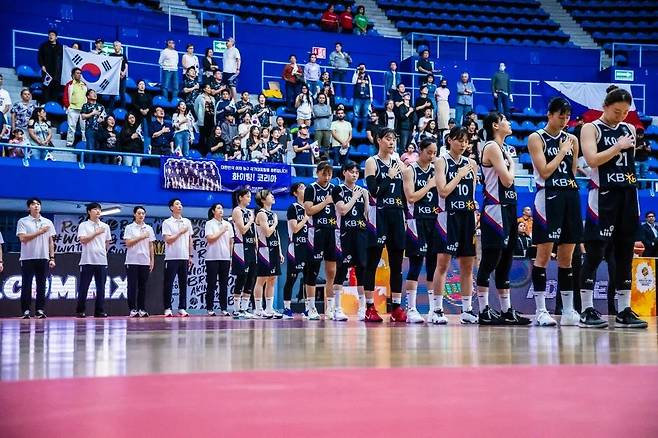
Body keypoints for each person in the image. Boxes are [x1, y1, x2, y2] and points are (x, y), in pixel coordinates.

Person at [579, 85, 647, 328]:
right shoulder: (590, 128)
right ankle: (586, 308)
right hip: (603, 195)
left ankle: (624, 309)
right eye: (617, 111)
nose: (621, 116)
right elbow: (592, 160)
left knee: (625, 254)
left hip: (627, 195)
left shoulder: (629, 128)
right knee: (596, 253)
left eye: (625, 112)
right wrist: (618, 146)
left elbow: (629, 161)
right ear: (605, 106)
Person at [527, 97, 582, 326]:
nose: (565, 120)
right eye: (561, 115)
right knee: (542, 256)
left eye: (567, 116)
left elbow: (572, 171)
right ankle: (541, 310)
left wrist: (566, 150)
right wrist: (561, 152)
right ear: (549, 114)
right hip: (547, 195)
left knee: (567, 257)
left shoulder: (572, 139)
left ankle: (568, 310)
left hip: (569, 195)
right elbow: (545, 171)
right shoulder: (536, 138)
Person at [476, 112, 530, 325]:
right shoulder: (491, 147)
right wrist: (513, 164)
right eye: (505, 120)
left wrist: (510, 160)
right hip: (495, 210)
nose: (509, 123)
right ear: (496, 125)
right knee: (490, 261)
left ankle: (507, 311)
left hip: (509, 207)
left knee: (506, 261)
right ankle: (483, 310)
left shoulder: (504, 149)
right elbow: (507, 180)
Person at [433, 128, 480, 324]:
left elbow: (473, 191)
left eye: (466, 141)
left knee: (468, 264)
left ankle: (467, 309)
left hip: (467, 216)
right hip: (448, 216)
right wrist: (459, 175)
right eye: (459, 140)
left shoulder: (472, 164)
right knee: (443, 263)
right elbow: (443, 191)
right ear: (450, 140)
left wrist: (474, 210)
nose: (463, 144)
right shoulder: (441, 161)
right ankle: (437, 309)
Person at [363, 128, 408, 322]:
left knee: (397, 264)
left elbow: (406, 192)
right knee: (372, 263)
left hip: (397, 215)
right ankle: (369, 307)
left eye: (394, 139)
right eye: (388, 139)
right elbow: (374, 192)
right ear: (379, 140)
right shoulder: (371, 162)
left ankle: (396, 307)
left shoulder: (399, 163)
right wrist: (389, 176)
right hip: (379, 215)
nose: (391, 142)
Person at [402, 138, 439, 324]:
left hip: (435, 220)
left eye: (435, 152)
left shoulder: (437, 169)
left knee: (433, 265)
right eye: (429, 152)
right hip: (417, 221)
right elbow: (411, 197)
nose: (432, 156)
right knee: (416, 265)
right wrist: (430, 185)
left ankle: (434, 309)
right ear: (421, 151)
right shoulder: (410, 170)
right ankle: (412, 309)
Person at [332, 161, 369, 321]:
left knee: (361, 270)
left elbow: (366, 214)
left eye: (357, 172)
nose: (354, 175)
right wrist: (354, 197)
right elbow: (343, 209)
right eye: (351, 171)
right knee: (341, 270)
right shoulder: (338, 189)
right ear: (344, 172)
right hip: (344, 233)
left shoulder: (364, 192)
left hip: (360, 234)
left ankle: (363, 308)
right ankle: (337, 308)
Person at [303, 161, 338, 320]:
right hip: (315, 232)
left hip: (332, 232)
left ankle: (329, 308)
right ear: (317, 173)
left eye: (329, 174)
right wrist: (325, 202)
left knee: (331, 272)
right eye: (324, 173)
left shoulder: (335, 188)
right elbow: (309, 210)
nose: (327, 177)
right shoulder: (311, 188)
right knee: (313, 271)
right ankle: (311, 308)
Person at [16, 198, 56, 319]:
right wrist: (40, 232)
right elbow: (23, 238)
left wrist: (52, 257)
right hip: (27, 257)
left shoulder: (47, 222)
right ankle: (26, 311)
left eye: (38, 204)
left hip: (43, 257)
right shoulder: (23, 221)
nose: (36, 206)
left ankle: (39, 310)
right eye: (33, 204)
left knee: (42, 285)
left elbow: (51, 241)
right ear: (29, 208)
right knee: (26, 285)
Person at [75, 202, 111, 318]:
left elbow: (107, 242)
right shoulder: (83, 225)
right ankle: (80, 310)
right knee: (84, 287)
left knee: (101, 287)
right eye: (95, 209)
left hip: (101, 261)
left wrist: (103, 252)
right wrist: (96, 233)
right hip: (87, 260)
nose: (98, 212)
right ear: (89, 212)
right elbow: (83, 240)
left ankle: (99, 310)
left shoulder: (105, 226)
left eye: (99, 210)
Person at [253, 190, 284, 319]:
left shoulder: (273, 214)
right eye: (270, 195)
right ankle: (258, 309)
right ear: (263, 199)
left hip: (274, 249)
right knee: (261, 280)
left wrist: (280, 251)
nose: (273, 196)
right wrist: (276, 222)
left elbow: (276, 235)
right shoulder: (261, 214)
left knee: (272, 279)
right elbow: (267, 233)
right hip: (264, 250)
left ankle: (269, 308)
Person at [162, 199, 193, 317]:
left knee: (183, 283)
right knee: (168, 283)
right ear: (171, 208)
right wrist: (180, 232)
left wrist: (190, 255)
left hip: (184, 257)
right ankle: (167, 307)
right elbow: (168, 240)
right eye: (177, 204)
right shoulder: (167, 222)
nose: (180, 206)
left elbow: (190, 240)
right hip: (171, 257)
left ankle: (182, 307)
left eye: (180, 204)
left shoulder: (187, 222)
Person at [123, 206, 155, 318]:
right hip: (132, 261)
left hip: (145, 261)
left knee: (143, 286)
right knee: (132, 286)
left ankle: (142, 308)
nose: (141, 215)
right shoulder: (129, 227)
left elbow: (151, 245)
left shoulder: (149, 228)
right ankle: (132, 309)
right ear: (134, 214)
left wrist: (152, 260)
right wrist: (141, 237)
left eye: (143, 213)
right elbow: (128, 243)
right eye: (139, 213)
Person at [284, 182, 310, 318]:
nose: (304, 188)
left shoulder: (310, 207)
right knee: (291, 279)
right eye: (301, 187)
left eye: (304, 186)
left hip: (308, 247)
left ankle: (307, 308)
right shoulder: (293, 208)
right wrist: (306, 218)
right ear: (295, 193)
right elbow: (294, 229)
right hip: (295, 247)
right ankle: (287, 308)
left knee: (308, 279)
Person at [231, 188, 257, 319]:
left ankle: (244, 308)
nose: (249, 198)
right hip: (241, 247)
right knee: (242, 278)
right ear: (240, 197)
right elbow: (242, 229)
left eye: (250, 196)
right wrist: (251, 220)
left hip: (251, 247)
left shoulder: (250, 212)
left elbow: (253, 231)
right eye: (247, 196)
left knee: (251, 279)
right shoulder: (237, 211)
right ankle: (236, 309)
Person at [205, 203, 234, 316]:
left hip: (225, 258)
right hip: (212, 258)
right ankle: (210, 308)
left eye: (222, 208)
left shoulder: (228, 224)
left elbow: (231, 241)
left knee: (224, 284)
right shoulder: (209, 223)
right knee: (211, 283)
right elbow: (210, 239)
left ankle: (224, 308)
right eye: (218, 208)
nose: (221, 210)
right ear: (213, 211)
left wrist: (231, 256)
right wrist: (222, 230)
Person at [37, 30, 63, 103]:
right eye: (49, 35)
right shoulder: (43, 46)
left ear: (56, 37)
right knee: (46, 89)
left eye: (52, 35)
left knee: (55, 91)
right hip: (47, 73)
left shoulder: (61, 47)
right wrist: (42, 65)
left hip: (57, 74)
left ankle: (53, 107)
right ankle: (45, 105)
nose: (51, 36)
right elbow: (40, 57)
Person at [64, 67, 87, 148]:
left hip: (83, 110)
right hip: (73, 109)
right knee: (71, 127)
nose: (79, 75)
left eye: (80, 73)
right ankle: (69, 142)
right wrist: (68, 106)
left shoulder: (84, 85)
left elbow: (85, 97)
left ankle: (85, 142)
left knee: (84, 128)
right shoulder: (69, 84)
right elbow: (66, 96)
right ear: (73, 75)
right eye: (77, 73)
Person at [80, 90, 106, 157]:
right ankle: (89, 164)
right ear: (88, 96)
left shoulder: (101, 106)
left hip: (100, 130)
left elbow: (104, 117)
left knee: (98, 149)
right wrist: (92, 113)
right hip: (90, 129)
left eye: (95, 93)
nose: (94, 94)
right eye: (92, 93)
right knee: (90, 148)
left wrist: (102, 119)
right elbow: (83, 116)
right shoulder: (85, 105)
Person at [194, 83, 216, 156]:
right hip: (203, 119)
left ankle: (208, 152)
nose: (210, 89)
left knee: (210, 137)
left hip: (211, 119)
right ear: (204, 89)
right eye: (208, 88)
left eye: (210, 88)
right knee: (203, 136)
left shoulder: (212, 98)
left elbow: (214, 109)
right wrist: (200, 116)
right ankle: (201, 152)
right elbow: (195, 108)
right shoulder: (200, 97)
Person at [351, 63, 372, 132]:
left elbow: (370, 86)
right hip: (357, 97)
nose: (362, 69)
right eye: (361, 67)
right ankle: (354, 129)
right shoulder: (356, 75)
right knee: (356, 114)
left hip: (366, 98)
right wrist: (356, 72)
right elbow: (353, 82)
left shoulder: (367, 76)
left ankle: (364, 129)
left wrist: (371, 97)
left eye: (363, 67)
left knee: (365, 115)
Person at [109, 40, 129, 110]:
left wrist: (124, 73)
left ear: (120, 47)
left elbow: (126, 65)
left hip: (123, 78)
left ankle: (123, 109)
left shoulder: (124, 56)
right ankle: (110, 109)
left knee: (122, 94)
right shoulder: (111, 55)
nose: (116, 47)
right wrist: (120, 72)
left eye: (117, 45)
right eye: (114, 46)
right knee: (113, 94)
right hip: (114, 78)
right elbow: (111, 66)